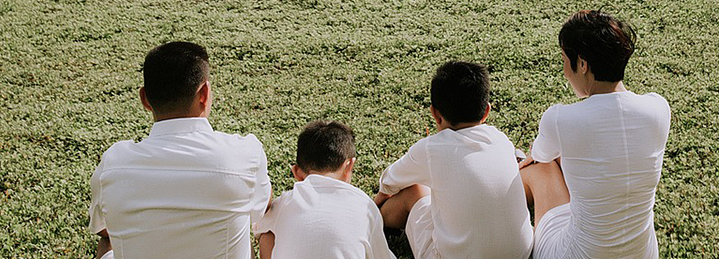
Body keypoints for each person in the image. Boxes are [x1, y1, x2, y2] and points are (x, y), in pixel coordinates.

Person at [88, 41, 271, 259]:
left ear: (145, 99)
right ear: (204, 94)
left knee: (107, 243)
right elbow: (261, 209)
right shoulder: (244, 153)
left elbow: (103, 228)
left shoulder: (113, 163)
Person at [519, 10, 671, 259]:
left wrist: (532, 158)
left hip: (577, 254)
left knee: (540, 168)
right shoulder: (658, 108)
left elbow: (540, 156)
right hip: (642, 254)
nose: (565, 71)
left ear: (582, 63)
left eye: (564, 61)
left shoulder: (561, 119)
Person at [374, 61, 534, 259]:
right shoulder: (500, 139)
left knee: (414, 191)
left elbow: (390, 181)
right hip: (520, 254)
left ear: (435, 114)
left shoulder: (431, 149)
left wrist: (380, 198)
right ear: (486, 111)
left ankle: (374, 221)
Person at [254, 120, 395, 259]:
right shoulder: (365, 205)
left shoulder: (285, 202)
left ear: (296, 172)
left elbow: (260, 227)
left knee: (266, 235)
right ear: (349, 166)